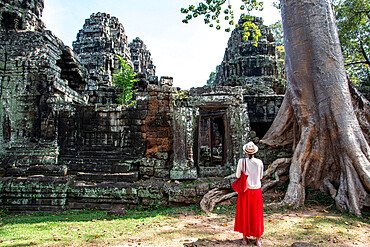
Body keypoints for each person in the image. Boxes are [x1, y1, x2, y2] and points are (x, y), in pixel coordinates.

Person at [234, 141, 264, 246]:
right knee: (257, 214)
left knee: (245, 213)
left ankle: (245, 239)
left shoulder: (241, 162)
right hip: (256, 191)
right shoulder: (260, 162)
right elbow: (260, 177)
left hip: (245, 191)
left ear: (246, 152)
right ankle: (258, 240)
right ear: (254, 152)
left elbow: (238, 176)